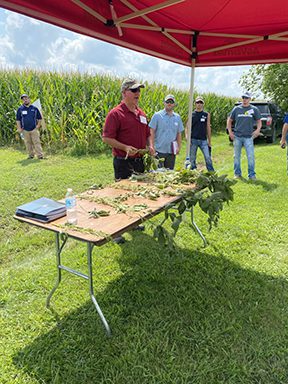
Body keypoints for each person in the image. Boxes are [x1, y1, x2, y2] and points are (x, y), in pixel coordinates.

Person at [102, 78, 154, 180]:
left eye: (139, 90)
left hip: (140, 162)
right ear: (124, 92)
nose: (138, 93)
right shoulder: (115, 114)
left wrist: (150, 146)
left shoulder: (141, 114)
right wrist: (125, 148)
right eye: (134, 90)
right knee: (124, 192)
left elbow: (148, 133)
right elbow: (106, 138)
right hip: (123, 163)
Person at [227, 91, 261, 180]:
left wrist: (257, 130)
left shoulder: (254, 109)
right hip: (237, 136)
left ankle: (252, 175)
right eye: (243, 98)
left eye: (246, 98)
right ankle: (237, 174)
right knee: (236, 156)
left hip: (249, 137)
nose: (244, 99)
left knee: (250, 156)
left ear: (250, 99)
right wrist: (230, 132)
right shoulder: (236, 109)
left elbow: (259, 121)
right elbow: (229, 120)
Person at [149, 94, 184, 169]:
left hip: (171, 151)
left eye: (171, 102)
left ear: (174, 104)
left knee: (169, 173)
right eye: (167, 101)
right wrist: (152, 146)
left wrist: (178, 147)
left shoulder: (177, 117)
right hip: (159, 150)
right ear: (164, 103)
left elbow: (178, 133)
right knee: (158, 174)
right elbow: (151, 132)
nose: (169, 103)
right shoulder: (157, 116)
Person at [186, 96, 214, 172]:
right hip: (193, 140)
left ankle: (211, 172)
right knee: (192, 158)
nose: (199, 104)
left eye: (201, 102)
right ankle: (193, 171)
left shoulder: (206, 114)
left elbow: (208, 127)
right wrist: (187, 138)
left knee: (207, 157)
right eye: (197, 102)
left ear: (203, 104)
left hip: (203, 140)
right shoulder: (191, 114)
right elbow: (187, 127)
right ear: (195, 104)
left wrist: (209, 141)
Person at [16, 94, 43, 159]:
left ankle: (40, 155)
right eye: (23, 99)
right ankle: (31, 155)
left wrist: (38, 125)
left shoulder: (34, 108)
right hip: (25, 129)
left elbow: (39, 118)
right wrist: (19, 128)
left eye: (26, 98)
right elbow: (18, 120)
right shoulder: (20, 109)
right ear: (22, 101)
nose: (25, 100)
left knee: (36, 142)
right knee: (28, 143)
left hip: (34, 129)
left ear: (29, 99)